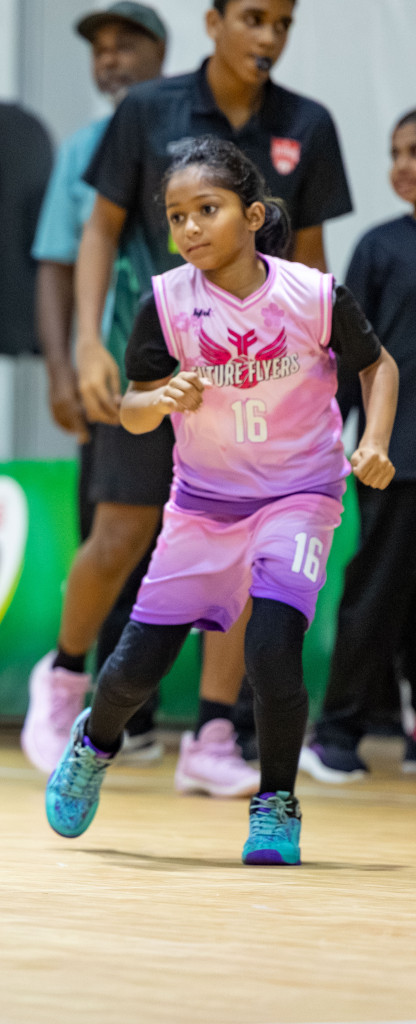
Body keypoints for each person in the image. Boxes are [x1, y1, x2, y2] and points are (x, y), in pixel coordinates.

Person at [45, 137, 397, 866]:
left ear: (254, 214)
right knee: (134, 670)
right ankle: (93, 743)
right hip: (204, 504)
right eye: (177, 216)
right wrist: (155, 398)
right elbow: (132, 409)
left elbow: (380, 366)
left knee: (273, 651)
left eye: (208, 209)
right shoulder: (167, 303)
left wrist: (377, 441)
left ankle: (276, 805)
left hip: (300, 495)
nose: (191, 228)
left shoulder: (313, 295)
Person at [40, 0, 355, 786]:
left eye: (282, 23)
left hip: (265, 391)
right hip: (160, 366)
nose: (269, 37)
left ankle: (212, 736)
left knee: (250, 560)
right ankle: (64, 682)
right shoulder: (150, 110)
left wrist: (326, 390)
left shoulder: (307, 125)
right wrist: (85, 343)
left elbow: (313, 270)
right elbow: (99, 230)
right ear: (211, 23)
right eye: (253, 18)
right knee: (118, 533)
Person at [28, 3, 213, 783]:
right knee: (114, 536)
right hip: (120, 371)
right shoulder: (81, 148)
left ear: (165, 50)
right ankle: (83, 694)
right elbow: (56, 263)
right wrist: (66, 369)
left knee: (196, 542)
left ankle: (182, 723)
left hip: (211, 373)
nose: (110, 59)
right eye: (99, 49)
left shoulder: (203, 133)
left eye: (125, 43)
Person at [302, 109, 416, 782]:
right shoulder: (378, 248)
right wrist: (325, 436)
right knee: (375, 595)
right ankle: (336, 734)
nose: (403, 164)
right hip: (394, 459)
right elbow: (350, 357)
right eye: (396, 151)